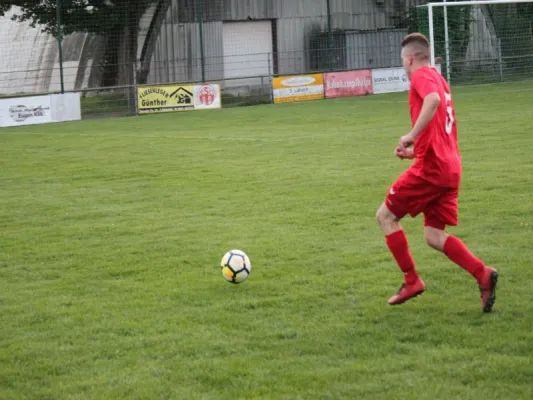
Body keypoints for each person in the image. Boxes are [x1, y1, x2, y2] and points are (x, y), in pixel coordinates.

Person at [375, 33, 498, 312]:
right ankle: (483, 274)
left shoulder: (422, 77)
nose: (404, 68)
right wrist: (415, 151)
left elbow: (432, 101)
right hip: (449, 167)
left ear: (409, 59)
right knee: (433, 235)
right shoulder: (441, 80)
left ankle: (412, 280)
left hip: (432, 170)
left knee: (385, 216)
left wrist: (410, 135)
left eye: (403, 62)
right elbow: (440, 129)